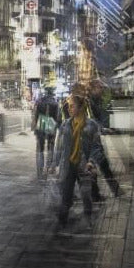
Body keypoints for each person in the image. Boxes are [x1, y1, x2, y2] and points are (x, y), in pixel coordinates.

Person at [51, 89, 105, 230]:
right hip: (68, 165)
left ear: (81, 108)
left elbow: (97, 146)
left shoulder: (91, 125)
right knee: (66, 195)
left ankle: (88, 220)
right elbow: (59, 147)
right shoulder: (65, 124)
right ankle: (62, 222)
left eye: (72, 106)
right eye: (68, 106)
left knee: (86, 195)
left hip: (84, 166)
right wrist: (54, 164)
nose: (69, 109)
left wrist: (91, 161)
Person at [32, 86, 61, 180]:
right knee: (50, 146)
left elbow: (35, 115)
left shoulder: (40, 101)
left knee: (40, 148)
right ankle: (48, 167)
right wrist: (56, 127)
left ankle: (40, 169)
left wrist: (35, 128)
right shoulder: (55, 102)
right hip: (51, 123)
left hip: (42, 122)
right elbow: (57, 117)